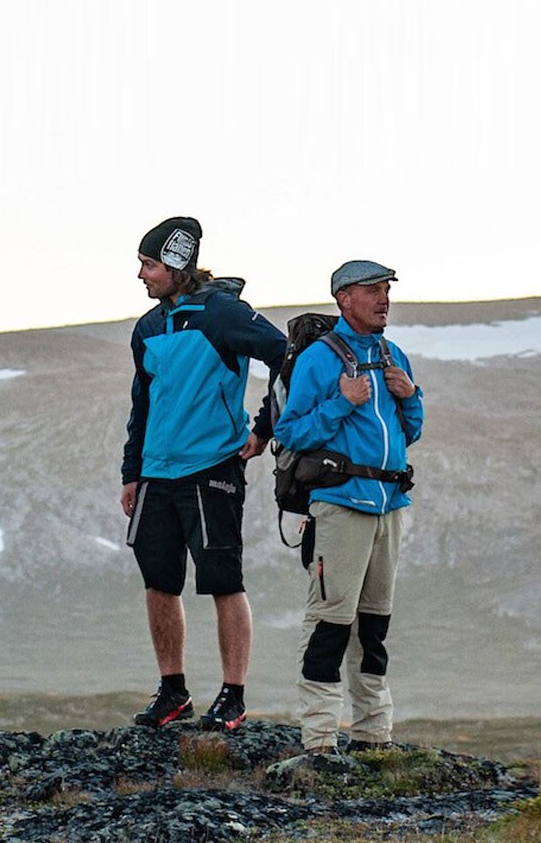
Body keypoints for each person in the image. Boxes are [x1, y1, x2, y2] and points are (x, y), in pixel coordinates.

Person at [121, 216, 288, 730]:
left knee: (223, 581)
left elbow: (285, 355)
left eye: (149, 265)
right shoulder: (149, 328)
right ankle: (173, 691)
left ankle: (233, 695)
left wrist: (262, 428)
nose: (142, 276)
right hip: (156, 474)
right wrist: (132, 472)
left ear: (176, 265)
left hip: (212, 466)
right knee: (159, 583)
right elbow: (142, 405)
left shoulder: (221, 314)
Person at [275, 260, 423, 754]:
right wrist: (342, 402)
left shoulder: (392, 353)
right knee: (330, 623)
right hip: (340, 505)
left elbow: (411, 432)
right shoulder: (320, 359)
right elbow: (289, 432)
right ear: (344, 298)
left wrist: (411, 396)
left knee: (374, 625)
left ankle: (372, 735)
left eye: (386, 290)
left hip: (390, 505)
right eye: (372, 291)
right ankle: (318, 741)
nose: (383, 299)